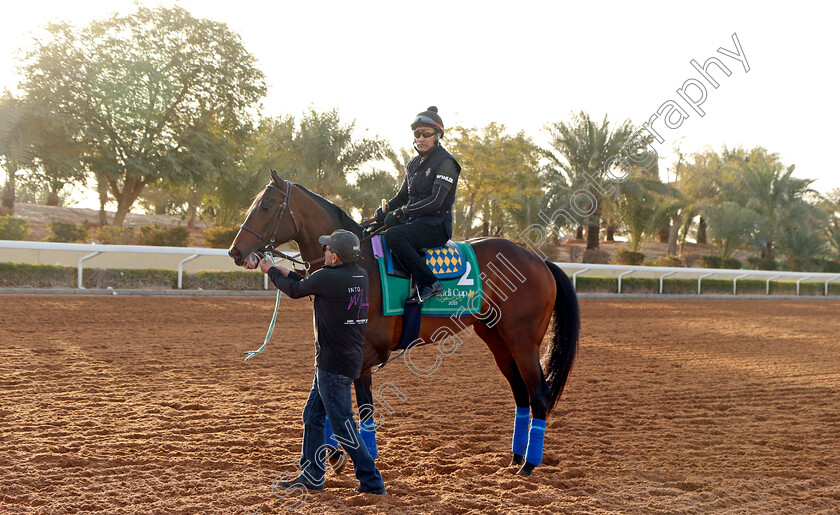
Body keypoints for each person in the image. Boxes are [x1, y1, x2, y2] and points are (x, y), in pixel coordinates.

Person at [259, 229, 386, 496]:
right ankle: (312, 475)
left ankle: (372, 481)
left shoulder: (328, 277)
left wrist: (270, 271)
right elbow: (309, 283)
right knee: (313, 416)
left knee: (342, 426)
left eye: (327, 249)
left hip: (331, 365)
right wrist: (282, 270)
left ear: (336, 257)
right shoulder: (358, 275)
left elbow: (296, 290)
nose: (324, 251)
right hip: (346, 360)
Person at [372, 106, 461, 304]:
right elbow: (403, 196)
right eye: (417, 133)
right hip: (415, 222)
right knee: (373, 230)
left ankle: (430, 283)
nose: (421, 138)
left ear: (438, 135)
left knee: (394, 235)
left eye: (426, 133)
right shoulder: (413, 164)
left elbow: (436, 201)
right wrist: (385, 210)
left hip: (436, 226)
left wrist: (403, 211)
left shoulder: (448, 163)